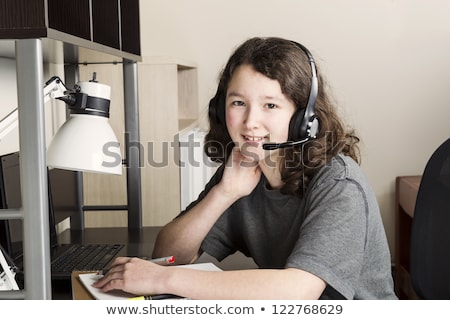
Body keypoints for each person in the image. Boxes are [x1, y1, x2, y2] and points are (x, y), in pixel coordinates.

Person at [93, 37, 397, 299]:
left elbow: (299, 289)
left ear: (304, 119)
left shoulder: (339, 184)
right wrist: (223, 194)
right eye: (238, 103)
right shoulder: (243, 169)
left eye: (271, 105)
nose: (250, 122)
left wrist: (162, 279)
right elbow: (170, 256)